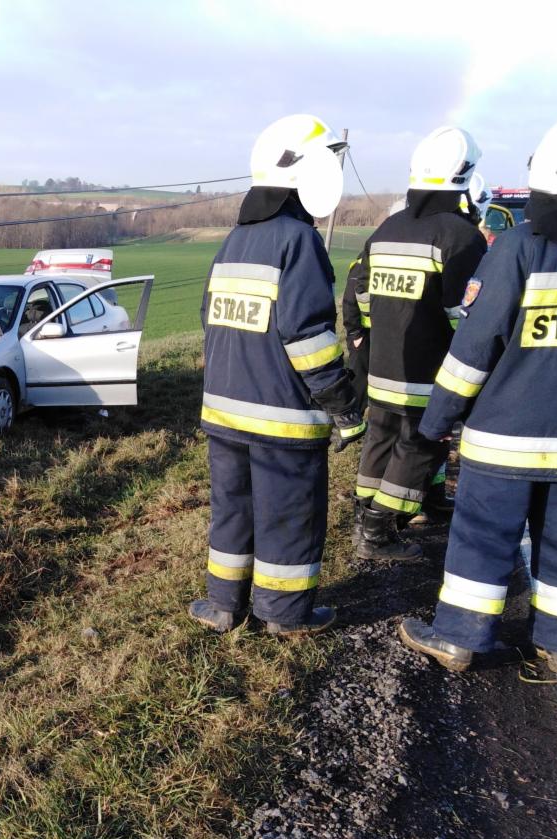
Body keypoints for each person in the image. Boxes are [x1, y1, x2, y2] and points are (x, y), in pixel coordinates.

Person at [400, 108, 557, 673]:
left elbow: (476, 347)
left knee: (481, 539)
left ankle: (459, 637)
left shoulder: (518, 248)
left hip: (504, 438)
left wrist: (437, 419)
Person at [189, 114, 364, 636]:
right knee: (287, 516)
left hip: (223, 411)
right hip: (282, 422)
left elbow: (208, 318)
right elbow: (306, 334)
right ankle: (284, 614)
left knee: (232, 512)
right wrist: (341, 404)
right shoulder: (299, 241)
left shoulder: (233, 241)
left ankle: (224, 604)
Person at [351, 127, 488, 559]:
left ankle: (363, 513)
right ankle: (377, 531)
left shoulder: (389, 228)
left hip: (383, 365)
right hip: (429, 373)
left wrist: (373, 342)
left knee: (381, 439)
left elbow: (363, 296)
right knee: (421, 448)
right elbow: (465, 315)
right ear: (463, 176)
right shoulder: (459, 235)